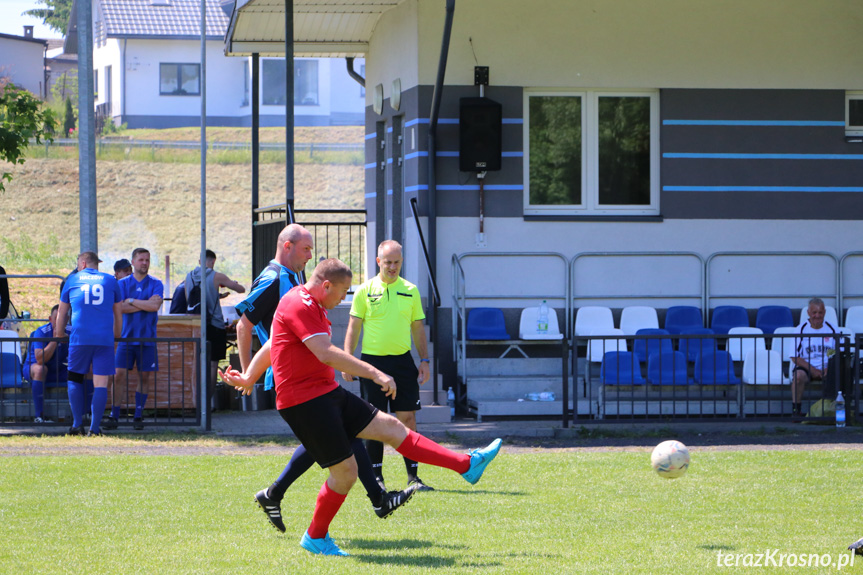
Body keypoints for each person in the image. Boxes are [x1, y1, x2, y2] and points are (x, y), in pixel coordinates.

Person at [220, 258, 501, 557]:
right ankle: (315, 537)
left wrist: (250, 374)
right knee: (345, 473)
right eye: (342, 292)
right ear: (326, 285)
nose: (344, 298)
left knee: (392, 427)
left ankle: (466, 465)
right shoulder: (299, 303)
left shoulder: (311, 305)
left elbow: (274, 342)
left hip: (326, 392)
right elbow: (326, 353)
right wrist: (375, 372)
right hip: (304, 402)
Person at [234, 224, 416, 528]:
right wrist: (247, 374)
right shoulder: (273, 278)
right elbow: (246, 325)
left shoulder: (295, 279)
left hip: (309, 372)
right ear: (288, 246)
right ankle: (376, 501)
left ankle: (275, 494)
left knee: (338, 435)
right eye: (306, 248)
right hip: (294, 375)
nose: (311, 255)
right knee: (341, 435)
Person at [343, 240, 433, 491]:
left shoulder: (411, 290)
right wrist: (348, 360)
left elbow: (417, 327)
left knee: (408, 419)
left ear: (402, 262)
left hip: (403, 363)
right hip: (372, 364)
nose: (392, 267)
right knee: (375, 423)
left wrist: (424, 360)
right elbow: (354, 326)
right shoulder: (365, 290)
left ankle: (413, 477)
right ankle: (377, 479)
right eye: (388, 262)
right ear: (378, 261)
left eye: (397, 262)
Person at [57, 251, 122, 436]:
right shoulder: (110, 280)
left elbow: (62, 312)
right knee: (100, 383)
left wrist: (59, 333)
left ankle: (77, 424)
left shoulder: (72, 279)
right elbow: (118, 312)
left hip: (80, 338)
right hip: (104, 339)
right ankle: (94, 428)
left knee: (75, 378)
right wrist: (116, 334)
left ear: (83, 264)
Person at [105, 248, 164, 431]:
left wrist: (131, 301)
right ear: (133, 262)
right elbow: (119, 308)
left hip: (147, 339)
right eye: (141, 260)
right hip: (126, 338)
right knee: (118, 375)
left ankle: (138, 415)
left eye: (147, 260)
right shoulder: (122, 284)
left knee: (144, 376)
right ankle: (114, 415)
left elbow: (155, 306)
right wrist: (143, 304)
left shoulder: (156, 283)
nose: (144, 263)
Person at [185, 249, 246, 392]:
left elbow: (191, 300)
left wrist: (216, 296)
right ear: (213, 261)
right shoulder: (217, 276)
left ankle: (196, 400)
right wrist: (233, 283)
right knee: (213, 365)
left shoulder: (188, 277)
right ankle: (209, 401)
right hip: (214, 325)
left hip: (195, 325)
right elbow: (241, 289)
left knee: (197, 364)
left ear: (199, 261)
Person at [21, 304, 69, 423]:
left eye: (62, 318)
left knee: (87, 368)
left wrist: (69, 341)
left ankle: (86, 415)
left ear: (67, 319)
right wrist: (55, 340)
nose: (59, 322)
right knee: (40, 369)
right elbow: (40, 360)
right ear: (50, 319)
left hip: (59, 369)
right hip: (34, 368)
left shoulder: (72, 331)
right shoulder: (41, 332)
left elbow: (80, 357)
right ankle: (39, 416)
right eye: (56, 318)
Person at [790, 298, 837, 417]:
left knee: (840, 374)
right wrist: (813, 370)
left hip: (827, 367)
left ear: (824, 313)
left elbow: (839, 353)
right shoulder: (800, 329)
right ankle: (796, 410)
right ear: (808, 313)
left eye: (820, 312)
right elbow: (795, 357)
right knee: (798, 377)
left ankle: (834, 411)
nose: (817, 315)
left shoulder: (832, 329)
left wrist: (829, 369)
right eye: (814, 312)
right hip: (806, 367)